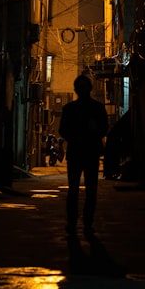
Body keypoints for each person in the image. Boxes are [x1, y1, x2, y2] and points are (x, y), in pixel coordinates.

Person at [58, 75, 109, 235]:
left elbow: (63, 130)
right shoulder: (97, 108)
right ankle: (83, 223)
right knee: (85, 190)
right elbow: (104, 128)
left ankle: (77, 223)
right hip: (87, 152)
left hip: (80, 152)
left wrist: (76, 137)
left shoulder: (71, 109)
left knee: (80, 190)